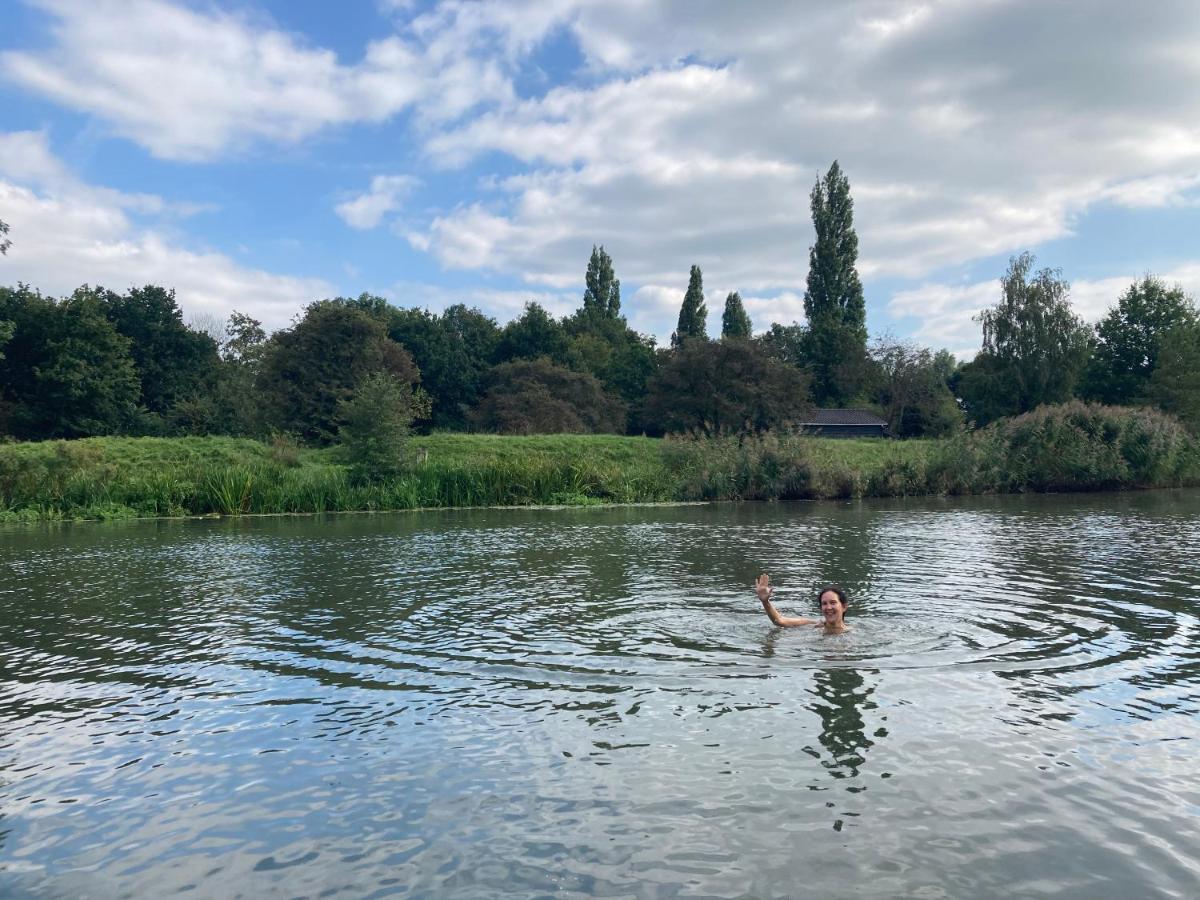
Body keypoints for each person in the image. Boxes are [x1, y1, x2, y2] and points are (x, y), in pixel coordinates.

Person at [755, 574, 849, 633]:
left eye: (833, 603)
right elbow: (780, 621)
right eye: (824, 604)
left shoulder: (853, 633)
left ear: (844, 607)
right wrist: (765, 601)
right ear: (821, 608)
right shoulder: (812, 625)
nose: (828, 607)